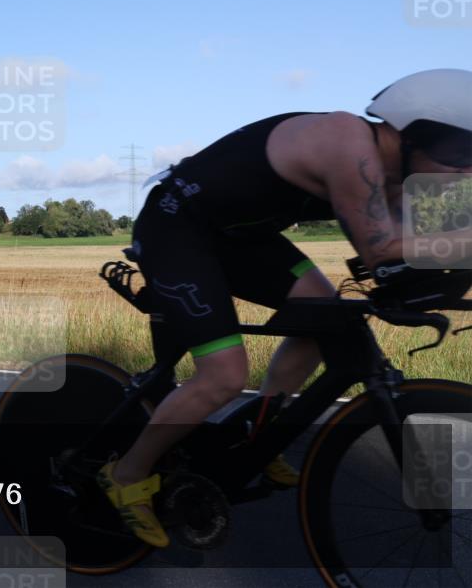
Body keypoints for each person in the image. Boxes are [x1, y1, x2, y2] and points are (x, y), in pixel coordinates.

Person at [98, 68, 472, 548]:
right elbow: (383, 251)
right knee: (224, 374)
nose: (466, 171)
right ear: (416, 135)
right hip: (177, 229)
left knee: (324, 316)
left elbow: (416, 250)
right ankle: (125, 475)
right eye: (461, 153)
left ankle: (259, 430)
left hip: (240, 238)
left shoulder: (399, 173)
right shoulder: (347, 143)